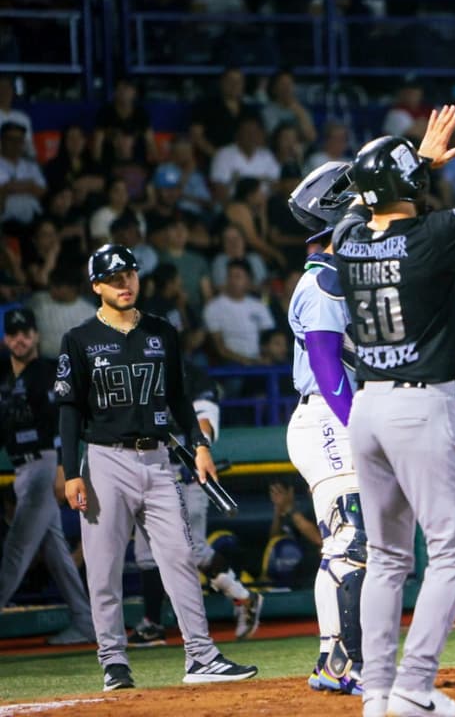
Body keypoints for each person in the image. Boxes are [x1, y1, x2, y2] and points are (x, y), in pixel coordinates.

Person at [332, 102, 455, 717]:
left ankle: (376, 695)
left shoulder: (344, 239)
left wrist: (413, 164)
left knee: (388, 558)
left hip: (366, 407)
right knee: (454, 547)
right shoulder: (433, 235)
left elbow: (363, 204)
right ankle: (415, 689)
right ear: (407, 188)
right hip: (419, 407)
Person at [55, 244, 257, 691]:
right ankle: (113, 662)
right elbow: (69, 411)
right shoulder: (80, 339)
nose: (124, 283)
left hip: (160, 458)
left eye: (128, 274)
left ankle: (201, 656)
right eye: (113, 278)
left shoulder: (162, 332)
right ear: (96, 287)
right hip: (104, 460)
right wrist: (71, 471)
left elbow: (182, 398)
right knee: (104, 567)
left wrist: (199, 444)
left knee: (181, 556)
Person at [284, 160, 367, 696]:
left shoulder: (346, 275)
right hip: (329, 415)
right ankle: (341, 663)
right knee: (350, 536)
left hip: (341, 416)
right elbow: (326, 363)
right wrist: (357, 427)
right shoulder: (322, 280)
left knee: (365, 543)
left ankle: (336, 660)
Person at [129, 364, 264, 648]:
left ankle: (244, 597)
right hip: (150, 474)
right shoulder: (133, 370)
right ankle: (152, 624)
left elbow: (206, 425)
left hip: (187, 476)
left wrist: (196, 444)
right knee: (145, 552)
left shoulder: (191, 375)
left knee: (193, 549)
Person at [0, 308, 95, 645]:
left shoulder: (49, 370)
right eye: (13, 334)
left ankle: (86, 621)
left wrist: (61, 469)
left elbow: (61, 421)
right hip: (22, 467)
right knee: (55, 551)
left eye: (25, 332)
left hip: (44, 465)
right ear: (5, 338)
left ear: (36, 336)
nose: (20, 339)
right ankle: (85, 620)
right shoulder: (6, 378)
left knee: (15, 549)